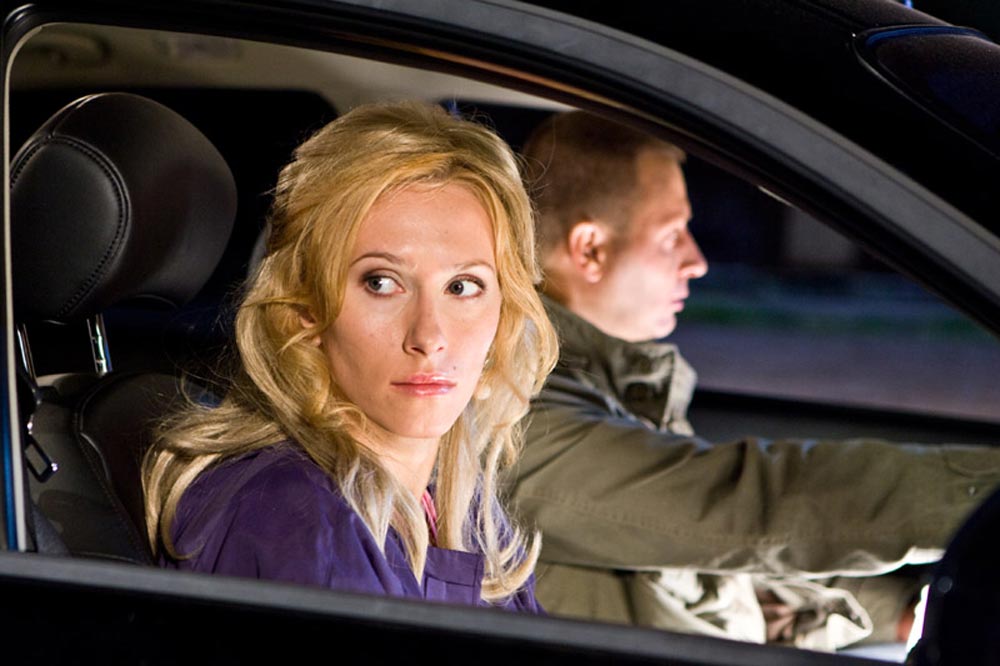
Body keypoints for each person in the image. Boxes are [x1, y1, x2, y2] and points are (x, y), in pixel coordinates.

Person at [508, 110, 1000, 648]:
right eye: (672, 235)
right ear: (590, 249)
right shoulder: (521, 414)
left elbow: (713, 570)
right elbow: (746, 506)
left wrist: (901, 615)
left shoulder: (604, 391)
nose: (696, 260)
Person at [142, 101, 558, 611]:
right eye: (381, 283)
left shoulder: (457, 509)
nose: (429, 336)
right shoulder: (292, 520)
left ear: (505, 311)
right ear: (305, 308)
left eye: (463, 286)